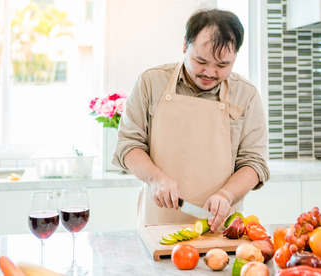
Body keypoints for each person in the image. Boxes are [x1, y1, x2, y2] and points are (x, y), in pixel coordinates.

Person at [112, 8, 270, 232]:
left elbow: (254, 163)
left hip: (220, 230)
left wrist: (226, 195)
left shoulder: (247, 95)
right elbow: (128, 146)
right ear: (185, 44)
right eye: (201, 61)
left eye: (222, 65)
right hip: (157, 226)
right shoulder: (151, 82)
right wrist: (156, 177)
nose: (210, 72)